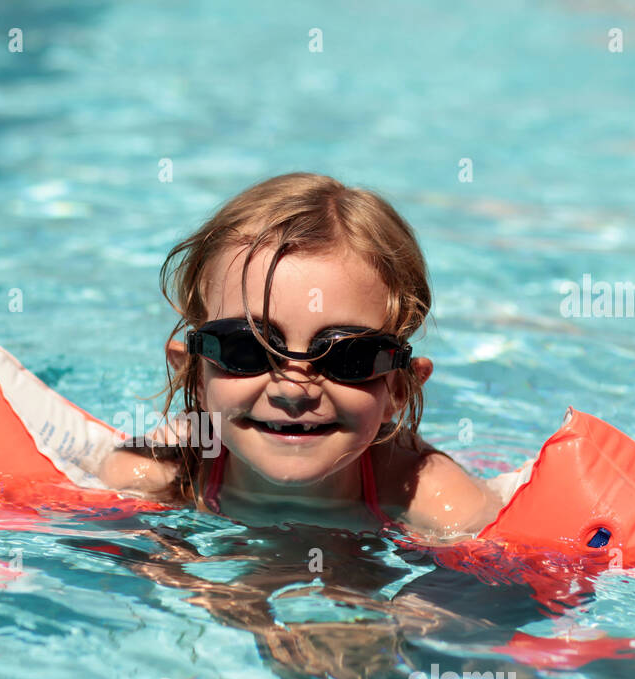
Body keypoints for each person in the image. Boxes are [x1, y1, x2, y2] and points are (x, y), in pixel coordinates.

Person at [99, 171, 505, 539]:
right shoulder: (156, 472)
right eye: (248, 349)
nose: (293, 390)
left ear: (398, 389)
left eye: (348, 356)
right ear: (193, 372)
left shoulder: (433, 496)